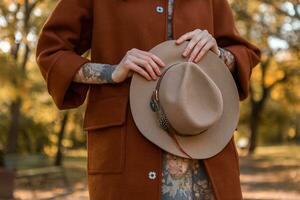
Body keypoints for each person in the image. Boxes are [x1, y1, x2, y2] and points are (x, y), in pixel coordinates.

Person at [36, 0, 261, 199]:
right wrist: (110, 72)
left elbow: (245, 53)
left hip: (206, 151)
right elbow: (51, 52)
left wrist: (218, 53)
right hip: (128, 148)